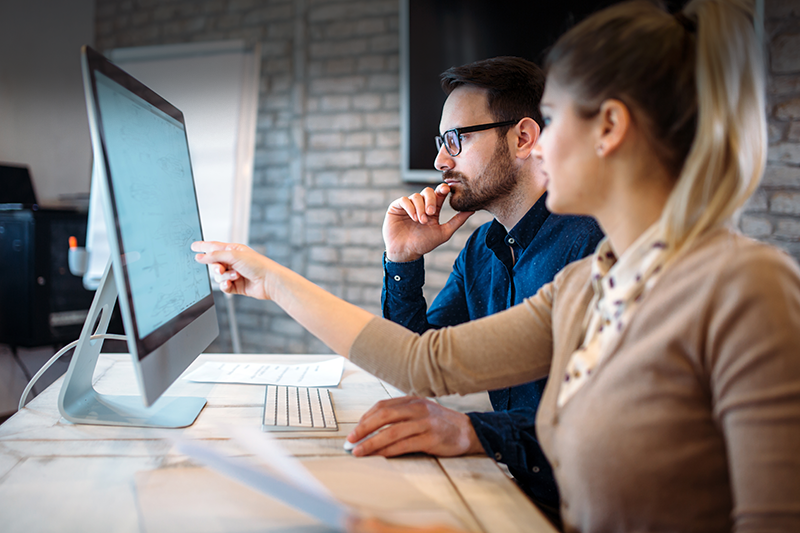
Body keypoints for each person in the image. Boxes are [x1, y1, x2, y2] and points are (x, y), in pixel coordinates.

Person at [193, 0, 800, 531]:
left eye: (554, 119)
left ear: (608, 128)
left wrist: (473, 436)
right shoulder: (595, 286)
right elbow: (419, 362)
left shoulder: (745, 287)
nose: (542, 142)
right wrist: (279, 277)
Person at [370, 56, 603, 520]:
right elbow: (414, 363)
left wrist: (474, 431)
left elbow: (597, 426)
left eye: (456, 140)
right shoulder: (483, 247)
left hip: (574, 509)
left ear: (523, 138)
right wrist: (403, 259)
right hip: (509, 485)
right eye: (441, 142)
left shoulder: (594, 246)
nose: (439, 161)